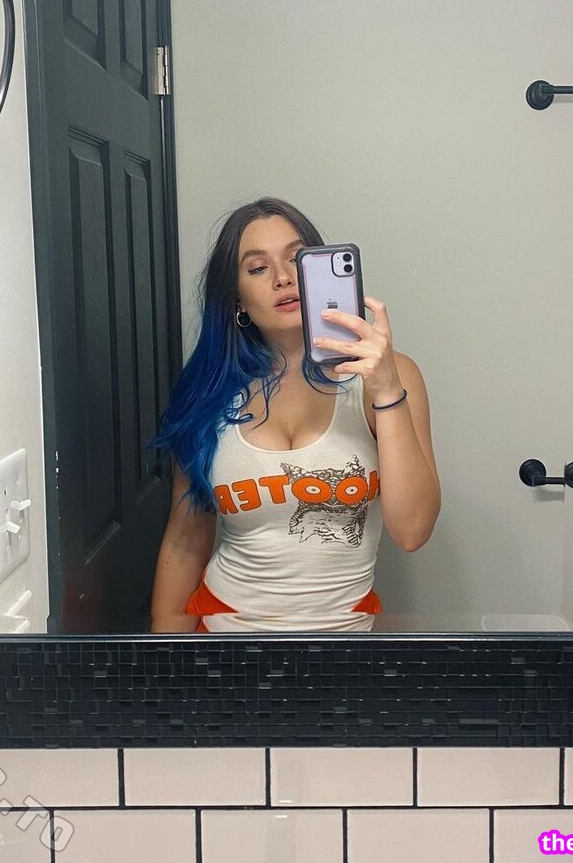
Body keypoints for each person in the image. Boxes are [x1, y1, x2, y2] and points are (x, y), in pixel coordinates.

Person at [148, 197, 440, 633]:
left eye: (296, 259)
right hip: (224, 640)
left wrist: (385, 390)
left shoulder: (389, 377)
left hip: (342, 648)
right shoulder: (208, 394)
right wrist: (166, 661)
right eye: (257, 268)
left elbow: (413, 531)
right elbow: (185, 540)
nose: (283, 278)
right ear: (237, 299)